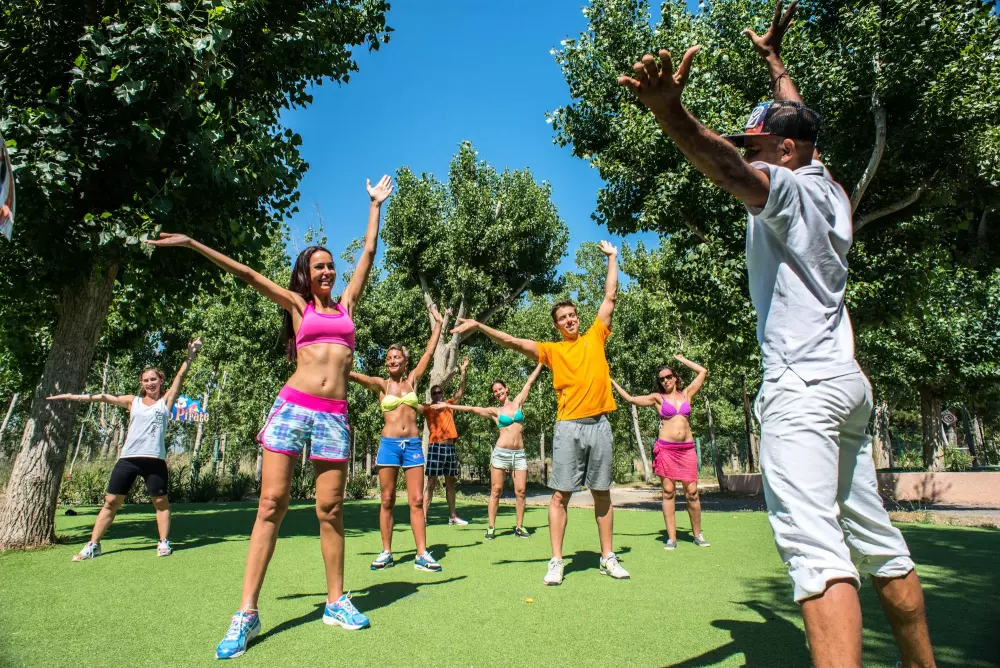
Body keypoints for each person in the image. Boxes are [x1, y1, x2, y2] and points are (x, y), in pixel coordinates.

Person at [617, 2, 935, 666]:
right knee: (879, 542)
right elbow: (798, 119)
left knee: (817, 555)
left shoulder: (787, 191)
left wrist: (671, 113)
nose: (748, 152)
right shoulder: (832, 188)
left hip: (802, 387)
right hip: (846, 385)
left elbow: (729, 171)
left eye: (757, 144)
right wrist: (774, 62)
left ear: (785, 153)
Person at [147, 175, 394, 659]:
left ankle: (336, 601)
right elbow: (247, 274)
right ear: (306, 274)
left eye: (331, 266)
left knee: (331, 510)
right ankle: (246, 612)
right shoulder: (298, 306)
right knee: (270, 505)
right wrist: (193, 244)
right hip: (293, 408)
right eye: (319, 266)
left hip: (333, 416)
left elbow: (368, 251)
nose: (328, 271)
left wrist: (374, 206)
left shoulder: (347, 306)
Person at [451, 241, 629, 586]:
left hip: (600, 425)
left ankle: (608, 557)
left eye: (572, 315)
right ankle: (556, 560)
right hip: (568, 428)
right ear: (557, 325)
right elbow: (512, 341)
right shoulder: (551, 351)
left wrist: (612, 258)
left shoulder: (596, 336)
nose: (569, 320)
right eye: (563, 318)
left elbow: (610, 296)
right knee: (560, 495)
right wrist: (480, 326)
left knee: (602, 493)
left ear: (578, 317)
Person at [49, 338, 202, 561]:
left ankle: (163, 542)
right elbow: (104, 397)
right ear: (142, 383)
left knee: (161, 503)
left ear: (160, 380)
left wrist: (190, 355)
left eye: (153, 379)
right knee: (111, 502)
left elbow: (180, 376)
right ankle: (93, 545)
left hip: (154, 461)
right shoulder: (133, 402)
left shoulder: (165, 402)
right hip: (128, 459)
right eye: (146, 380)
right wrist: (72, 397)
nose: (150, 383)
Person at [350, 306, 447, 573]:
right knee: (387, 499)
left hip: (413, 445)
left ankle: (422, 554)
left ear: (405, 362)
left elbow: (429, 352)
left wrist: (439, 323)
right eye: (389, 358)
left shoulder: (412, 381)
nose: (393, 361)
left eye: (397, 357)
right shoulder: (381, 385)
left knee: (416, 500)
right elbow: (353, 375)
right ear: (387, 363)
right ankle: (386, 552)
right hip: (389, 446)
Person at [611, 355, 709, 550]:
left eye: (669, 377)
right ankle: (672, 538)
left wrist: (682, 360)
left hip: (687, 450)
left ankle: (697, 534)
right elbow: (630, 399)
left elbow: (702, 371)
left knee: (692, 492)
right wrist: (612, 381)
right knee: (668, 492)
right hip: (666, 450)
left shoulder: (687, 394)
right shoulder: (658, 398)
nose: (666, 381)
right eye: (662, 379)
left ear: (675, 377)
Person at [436, 363, 544, 540]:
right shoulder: (495, 411)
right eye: (495, 391)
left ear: (506, 389)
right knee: (496, 490)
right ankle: (491, 527)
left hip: (519, 455)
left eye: (500, 389)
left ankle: (519, 526)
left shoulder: (518, 403)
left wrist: (541, 362)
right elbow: (471, 408)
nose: (498, 392)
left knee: (521, 491)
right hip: (501, 454)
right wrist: (447, 407)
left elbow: (530, 381)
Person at [421, 357, 470, 527]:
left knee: (450, 483)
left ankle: (452, 516)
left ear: (442, 393)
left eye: (439, 392)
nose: (437, 395)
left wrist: (463, 371)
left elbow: (461, 392)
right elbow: (413, 405)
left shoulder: (449, 405)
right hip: (435, 447)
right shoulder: (428, 408)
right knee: (431, 483)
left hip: (450, 448)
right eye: (434, 393)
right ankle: (423, 518)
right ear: (431, 396)